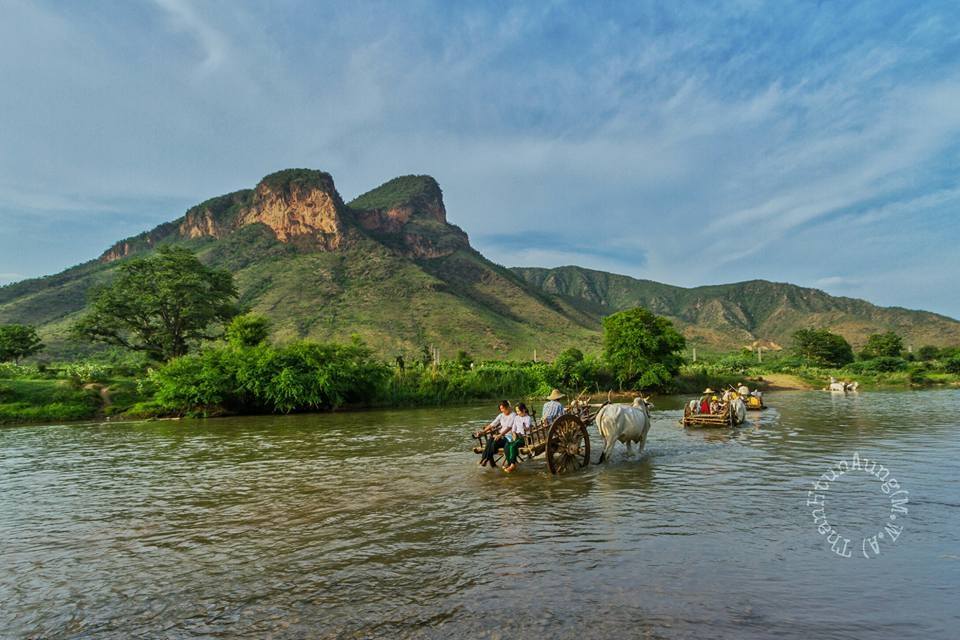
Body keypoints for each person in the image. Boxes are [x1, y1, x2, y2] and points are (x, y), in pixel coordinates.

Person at [476, 400, 515, 468]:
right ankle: (483, 458)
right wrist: (483, 432)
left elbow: (509, 427)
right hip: (501, 435)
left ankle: (486, 459)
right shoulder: (501, 415)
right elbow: (492, 424)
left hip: (510, 436)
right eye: (501, 409)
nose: (502, 411)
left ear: (508, 407)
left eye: (503, 409)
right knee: (490, 440)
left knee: (494, 443)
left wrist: (500, 435)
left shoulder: (513, 415)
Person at [503, 403, 531, 473]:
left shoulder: (528, 418)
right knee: (507, 445)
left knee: (513, 445)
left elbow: (528, 428)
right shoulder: (516, 417)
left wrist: (525, 428)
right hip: (517, 437)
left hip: (525, 438)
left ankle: (513, 464)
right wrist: (514, 434)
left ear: (524, 410)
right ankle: (510, 463)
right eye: (517, 411)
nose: (517, 413)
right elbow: (513, 429)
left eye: (519, 411)